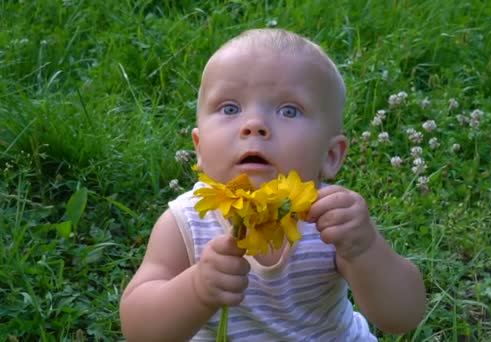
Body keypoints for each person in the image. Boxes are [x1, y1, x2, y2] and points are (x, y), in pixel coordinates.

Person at [119, 28, 426, 341]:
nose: (255, 125)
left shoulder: (331, 223)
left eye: (288, 110)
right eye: (230, 108)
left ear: (331, 156)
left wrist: (366, 248)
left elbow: (402, 316)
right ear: (198, 148)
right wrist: (196, 289)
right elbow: (139, 331)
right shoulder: (186, 222)